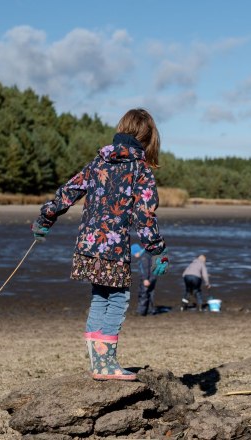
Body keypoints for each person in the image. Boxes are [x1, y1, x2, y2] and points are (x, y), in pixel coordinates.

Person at [31, 108, 169, 381]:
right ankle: (106, 364)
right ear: (149, 138)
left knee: (100, 297)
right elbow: (144, 215)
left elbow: (68, 192)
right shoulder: (140, 170)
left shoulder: (98, 162)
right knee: (118, 298)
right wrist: (157, 250)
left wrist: (46, 218)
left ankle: (99, 363)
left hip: (88, 246)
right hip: (114, 249)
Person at [132, 243, 159, 316]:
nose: (134, 256)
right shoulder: (147, 254)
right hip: (153, 276)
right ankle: (151, 310)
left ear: (136, 252)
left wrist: (145, 279)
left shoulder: (143, 257)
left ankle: (141, 312)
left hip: (148, 278)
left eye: (133, 254)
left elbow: (145, 269)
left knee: (143, 293)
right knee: (150, 293)